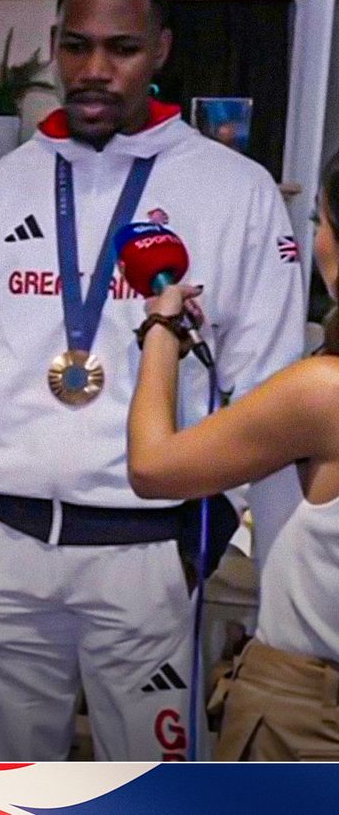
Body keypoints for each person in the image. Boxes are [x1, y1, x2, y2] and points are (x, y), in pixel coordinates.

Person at [0, 0, 305, 761]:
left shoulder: (234, 190)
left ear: (160, 50)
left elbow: (266, 389)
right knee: (5, 787)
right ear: (56, 43)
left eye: (121, 49)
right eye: (76, 46)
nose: (94, 70)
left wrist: (210, 535)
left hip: (146, 553)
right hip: (1, 542)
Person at [127, 149, 339, 760]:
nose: (318, 241)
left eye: (322, 223)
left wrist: (161, 333)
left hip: (307, 708)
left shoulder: (322, 393)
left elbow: (154, 467)